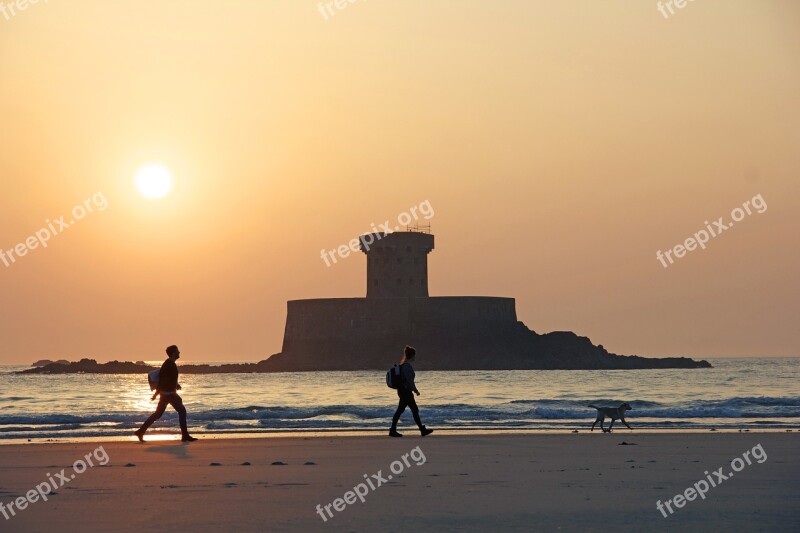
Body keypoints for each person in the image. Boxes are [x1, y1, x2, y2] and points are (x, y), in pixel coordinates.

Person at [135, 345, 197, 443]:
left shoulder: (169, 363)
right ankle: (185, 436)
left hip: (166, 394)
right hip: (169, 394)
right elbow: (163, 380)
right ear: (173, 354)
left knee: (158, 414)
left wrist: (176, 385)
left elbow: (167, 379)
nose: (179, 353)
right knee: (182, 411)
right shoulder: (169, 364)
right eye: (177, 351)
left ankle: (140, 431)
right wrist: (156, 393)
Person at [390, 345, 434, 438]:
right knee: (413, 410)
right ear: (412, 355)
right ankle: (422, 430)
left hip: (402, 391)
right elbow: (410, 381)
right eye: (414, 355)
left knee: (402, 410)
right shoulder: (407, 366)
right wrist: (416, 390)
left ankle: (393, 430)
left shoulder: (402, 365)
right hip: (406, 392)